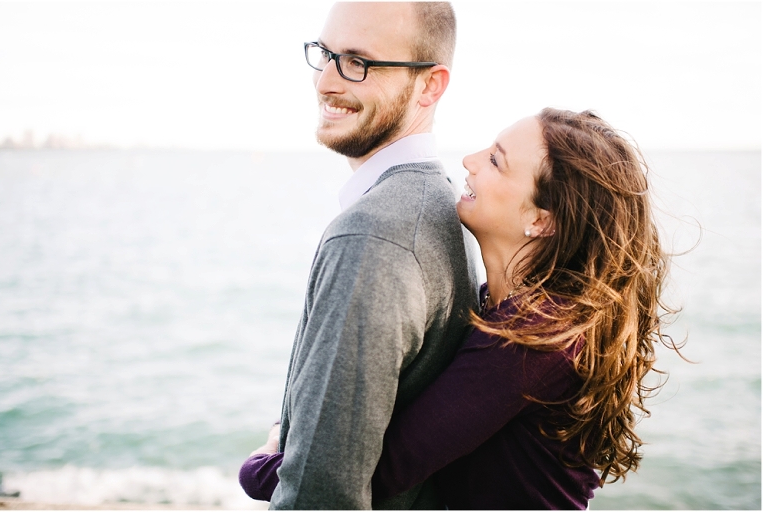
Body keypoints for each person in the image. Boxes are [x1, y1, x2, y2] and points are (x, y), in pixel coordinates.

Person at [240, 108, 682, 509]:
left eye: (496, 161)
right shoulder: (510, 305)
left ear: (541, 219)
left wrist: (262, 464)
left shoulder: (536, 337)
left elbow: (377, 474)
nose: (470, 160)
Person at [252, 2, 479, 509]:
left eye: (358, 62)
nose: (327, 82)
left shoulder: (373, 235)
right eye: (326, 54)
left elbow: (321, 493)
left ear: (430, 85)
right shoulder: (443, 205)